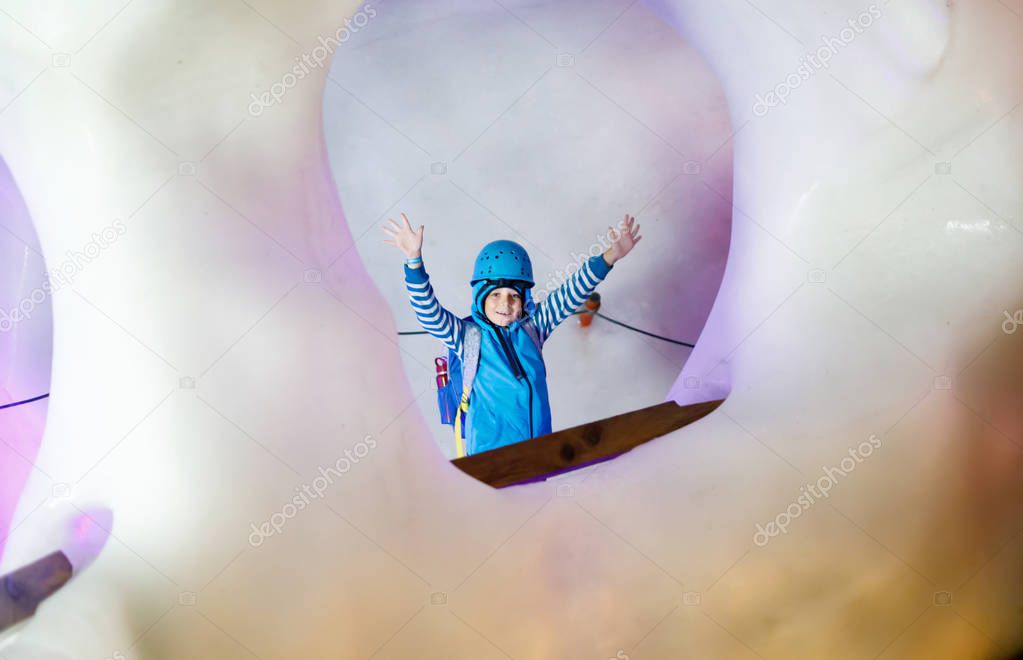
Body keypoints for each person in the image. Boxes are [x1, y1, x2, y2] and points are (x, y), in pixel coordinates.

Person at [383, 213, 641, 456]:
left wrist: (611, 256)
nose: (504, 304)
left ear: (524, 298)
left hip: (538, 453)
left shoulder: (533, 328)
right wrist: (414, 262)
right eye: (495, 295)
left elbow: (571, 292)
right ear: (481, 297)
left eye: (513, 296)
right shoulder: (467, 338)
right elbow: (429, 314)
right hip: (488, 461)